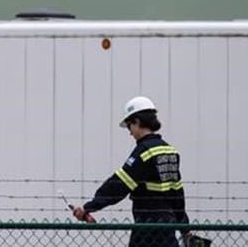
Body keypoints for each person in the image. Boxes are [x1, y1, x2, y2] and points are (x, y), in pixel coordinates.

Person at [72, 96, 191, 247]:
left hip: (147, 225)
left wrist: (88, 207)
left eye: (129, 126)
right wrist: (184, 227)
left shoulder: (145, 151)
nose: (130, 133)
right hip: (169, 226)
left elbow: (119, 184)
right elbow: (177, 193)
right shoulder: (170, 151)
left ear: (137, 121)